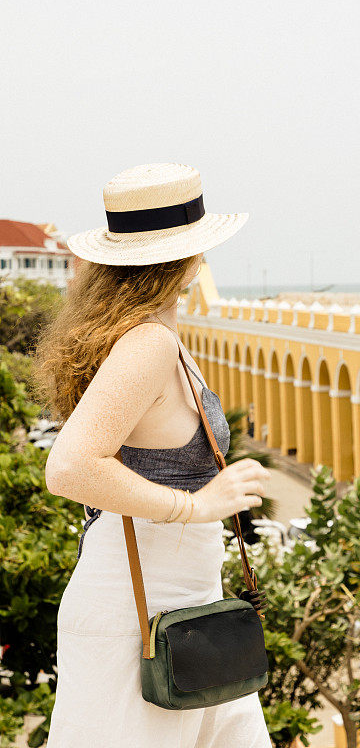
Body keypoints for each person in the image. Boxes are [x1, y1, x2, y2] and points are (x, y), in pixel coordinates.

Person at [34, 163, 272, 747]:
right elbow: (68, 468)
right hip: (141, 610)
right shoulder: (149, 343)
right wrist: (195, 506)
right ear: (190, 258)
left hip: (181, 600)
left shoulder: (151, 335)